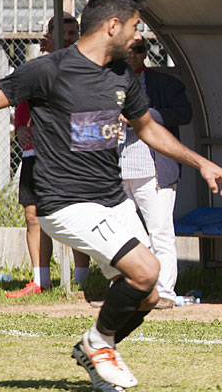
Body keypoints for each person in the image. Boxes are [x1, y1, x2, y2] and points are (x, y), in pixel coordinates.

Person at [0, 0, 222, 392]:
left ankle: (96, 347)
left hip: (112, 200)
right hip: (65, 202)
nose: (137, 36)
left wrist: (201, 163)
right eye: (134, 27)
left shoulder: (120, 75)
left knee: (148, 294)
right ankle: (99, 344)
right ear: (112, 26)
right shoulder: (48, 71)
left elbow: (148, 128)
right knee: (147, 270)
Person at [75, 34, 192, 309]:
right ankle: (128, 290)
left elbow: (183, 114)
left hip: (152, 170)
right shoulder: (105, 83)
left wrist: (142, 117)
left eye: (138, 50)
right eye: (128, 51)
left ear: (145, 53)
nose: (133, 56)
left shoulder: (163, 84)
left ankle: (164, 292)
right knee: (120, 233)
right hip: (115, 170)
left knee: (160, 231)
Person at [8, 12, 91, 298]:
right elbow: (21, 103)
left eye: (73, 33)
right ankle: (40, 280)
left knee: (78, 212)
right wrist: (20, 128)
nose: (68, 39)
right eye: (63, 34)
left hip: (71, 155)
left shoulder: (85, 67)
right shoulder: (37, 68)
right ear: (49, 37)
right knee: (34, 215)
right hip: (37, 153)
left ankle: (83, 280)